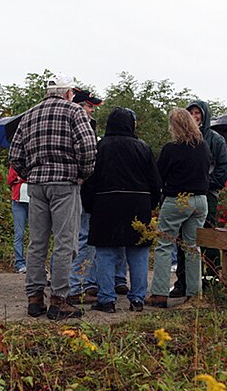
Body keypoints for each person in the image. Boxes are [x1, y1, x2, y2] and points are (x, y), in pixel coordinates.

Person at [9, 74, 96, 320]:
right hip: (64, 184)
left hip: (36, 185)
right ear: (69, 92)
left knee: (37, 242)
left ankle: (34, 299)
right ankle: (59, 300)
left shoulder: (30, 114)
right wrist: (81, 175)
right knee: (64, 242)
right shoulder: (74, 112)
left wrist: (31, 173)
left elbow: (15, 155)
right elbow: (88, 149)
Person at [81, 107, 161, 312]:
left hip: (105, 204)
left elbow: (90, 179)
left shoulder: (101, 147)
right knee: (138, 253)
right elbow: (154, 181)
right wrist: (151, 204)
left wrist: (89, 205)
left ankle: (106, 299)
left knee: (106, 253)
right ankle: (137, 299)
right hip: (138, 204)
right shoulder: (142, 147)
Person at [67, 89, 128, 303]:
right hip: (77, 186)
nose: (92, 110)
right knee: (82, 237)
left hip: (86, 188)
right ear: (78, 105)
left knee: (84, 236)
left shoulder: (88, 126)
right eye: (89, 106)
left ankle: (87, 282)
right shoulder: (72, 124)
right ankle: (77, 285)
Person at [147, 108, 211, 308]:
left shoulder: (171, 149)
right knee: (192, 248)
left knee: (165, 245)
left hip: (177, 199)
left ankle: (159, 294)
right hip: (200, 200)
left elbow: (159, 175)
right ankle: (194, 296)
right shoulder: (203, 147)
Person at [170, 100, 227, 297]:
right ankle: (183, 282)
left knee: (207, 237)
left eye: (198, 113)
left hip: (207, 196)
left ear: (204, 116)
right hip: (183, 196)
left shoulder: (215, 140)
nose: (194, 116)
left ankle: (211, 281)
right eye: (191, 113)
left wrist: (204, 183)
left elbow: (223, 169)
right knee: (182, 240)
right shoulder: (179, 139)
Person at [7, 166, 28, 274]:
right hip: (18, 201)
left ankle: (35, 264)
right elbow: (10, 179)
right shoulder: (16, 162)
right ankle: (20, 263)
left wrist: (22, 178)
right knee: (19, 233)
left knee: (38, 235)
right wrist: (26, 178)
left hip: (36, 200)